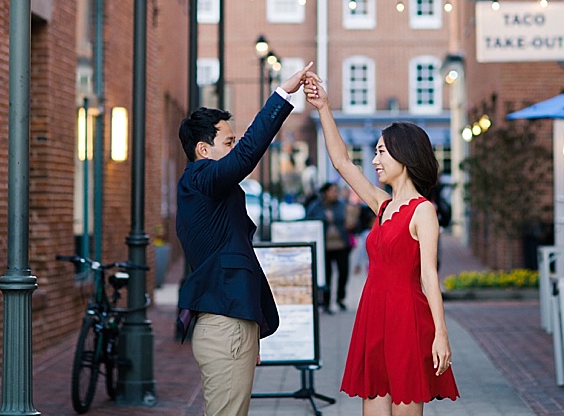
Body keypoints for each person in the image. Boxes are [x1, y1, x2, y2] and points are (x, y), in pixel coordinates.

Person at [304, 74, 459, 415]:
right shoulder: (382, 205)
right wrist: (324, 108)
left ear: (404, 156)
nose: (374, 161)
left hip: (407, 319)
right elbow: (342, 162)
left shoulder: (423, 212)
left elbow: (430, 276)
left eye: (381, 153)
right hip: (373, 316)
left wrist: (441, 334)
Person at [175, 61, 313, 416]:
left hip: (231, 326)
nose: (235, 148)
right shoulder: (201, 178)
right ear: (204, 150)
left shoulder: (205, 189)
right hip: (226, 328)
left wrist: (248, 334)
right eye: (228, 142)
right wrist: (283, 94)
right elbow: (247, 155)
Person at [305, 182, 353, 313]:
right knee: (327, 274)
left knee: (343, 272)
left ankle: (340, 298)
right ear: (325, 192)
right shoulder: (316, 206)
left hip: (341, 244)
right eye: (332, 191)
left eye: (336, 191)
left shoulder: (341, 205)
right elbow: (309, 222)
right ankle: (326, 302)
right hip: (324, 246)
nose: (335, 194)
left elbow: (349, 219)